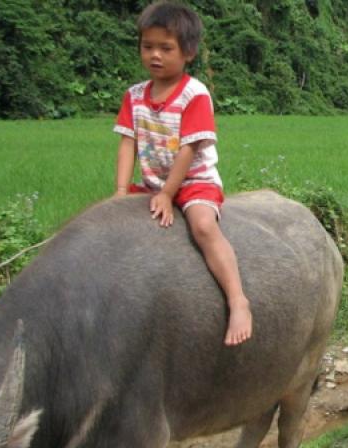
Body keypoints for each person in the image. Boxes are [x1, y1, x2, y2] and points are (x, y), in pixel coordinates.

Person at [113, 1, 252, 346]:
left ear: (188, 52)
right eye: (148, 46)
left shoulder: (195, 95)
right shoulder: (134, 96)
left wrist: (167, 194)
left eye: (166, 48)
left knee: (203, 226)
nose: (155, 55)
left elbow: (188, 150)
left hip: (193, 181)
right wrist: (120, 191)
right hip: (152, 183)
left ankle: (238, 300)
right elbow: (128, 142)